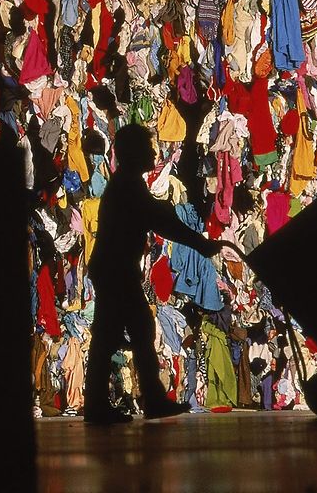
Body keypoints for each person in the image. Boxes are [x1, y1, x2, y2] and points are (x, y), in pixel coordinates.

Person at [83, 123, 222, 424]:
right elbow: (161, 221)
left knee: (135, 330)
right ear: (133, 152)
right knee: (116, 333)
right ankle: (107, 403)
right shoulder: (129, 187)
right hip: (116, 270)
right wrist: (201, 244)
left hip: (115, 269)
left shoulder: (127, 184)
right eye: (148, 147)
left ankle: (145, 399)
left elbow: (158, 217)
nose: (153, 152)